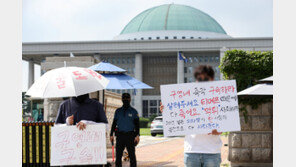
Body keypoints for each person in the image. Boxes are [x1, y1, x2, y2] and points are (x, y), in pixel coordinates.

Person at [160, 65, 222, 167]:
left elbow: (224, 123)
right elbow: (176, 118)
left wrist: (219, 130)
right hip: (192, 150)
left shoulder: (219, 98)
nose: (203, 81)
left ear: (212, 79)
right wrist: (166, 110)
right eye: (200, 79)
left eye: (206, 79)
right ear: (196, 80)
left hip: (212, 152)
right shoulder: (186, 97)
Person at [55, 93, 108, 167]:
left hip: (90, 159)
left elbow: (105, 126)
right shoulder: (64, 105)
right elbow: (56, 129)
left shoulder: (97, 105)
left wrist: (88, 123)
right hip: (69, 159)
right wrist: (66, 123)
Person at [110, 93, 140, 167]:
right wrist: (111, 134)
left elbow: (137, 125)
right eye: (124, 98)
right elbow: (114, 124)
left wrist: (137, 135)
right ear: (122, 99)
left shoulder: (134, 111)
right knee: (118, 156)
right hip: (120, 136)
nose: (125, 100)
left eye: (127, 98)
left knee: (132, 155)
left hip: (130, 136)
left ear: (130, 99)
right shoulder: (118, 111)